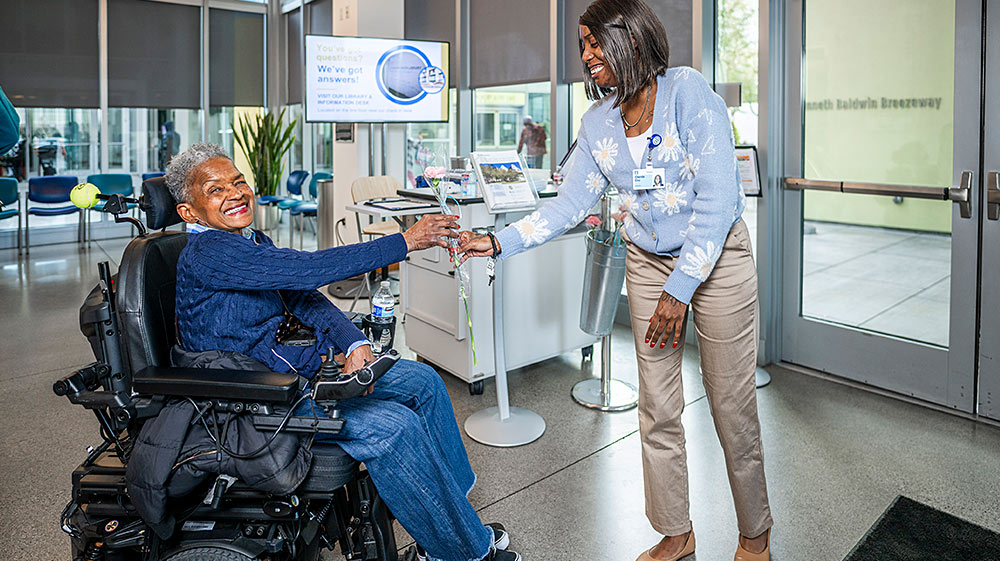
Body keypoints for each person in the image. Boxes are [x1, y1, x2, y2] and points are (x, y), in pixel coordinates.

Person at [458, 1, 772, 560]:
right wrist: (501, 242)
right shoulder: (598, 121)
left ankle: (755, 536)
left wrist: (682, 289)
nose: (586, 56)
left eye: (594, 43)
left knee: (731, 405)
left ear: (630, 38)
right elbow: (569, 205)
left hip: (716, 258)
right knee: (657, 407)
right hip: (650, 262)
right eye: (582, 46)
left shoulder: (688, 93)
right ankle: (676, 533)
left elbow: (722, 199)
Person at [167, 143, 520, 561]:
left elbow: (302, 295)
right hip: (252, 396)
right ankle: (463, 551)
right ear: (189, 213)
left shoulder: (247, 239)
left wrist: (352, 343)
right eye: (215, 189)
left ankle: (451, 517)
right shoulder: (209, 252)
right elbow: (305, 269)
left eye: (238, 181)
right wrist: (404, 241)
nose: (235, 193)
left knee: (423, 382)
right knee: (393, 426)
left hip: (292, 372)